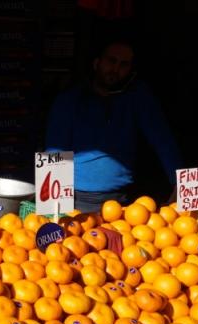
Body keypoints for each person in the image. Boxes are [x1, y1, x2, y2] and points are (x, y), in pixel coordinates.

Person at [45, 38, 182, 213]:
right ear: (97, 62)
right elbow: (55, 151)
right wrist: (53, 208)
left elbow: (162, 139)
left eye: (124, 65)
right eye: (111, 61)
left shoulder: (138, 96)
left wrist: (179, 182)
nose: (116, 69)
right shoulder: (71, 99)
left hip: (121, 201)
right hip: (75, 200)